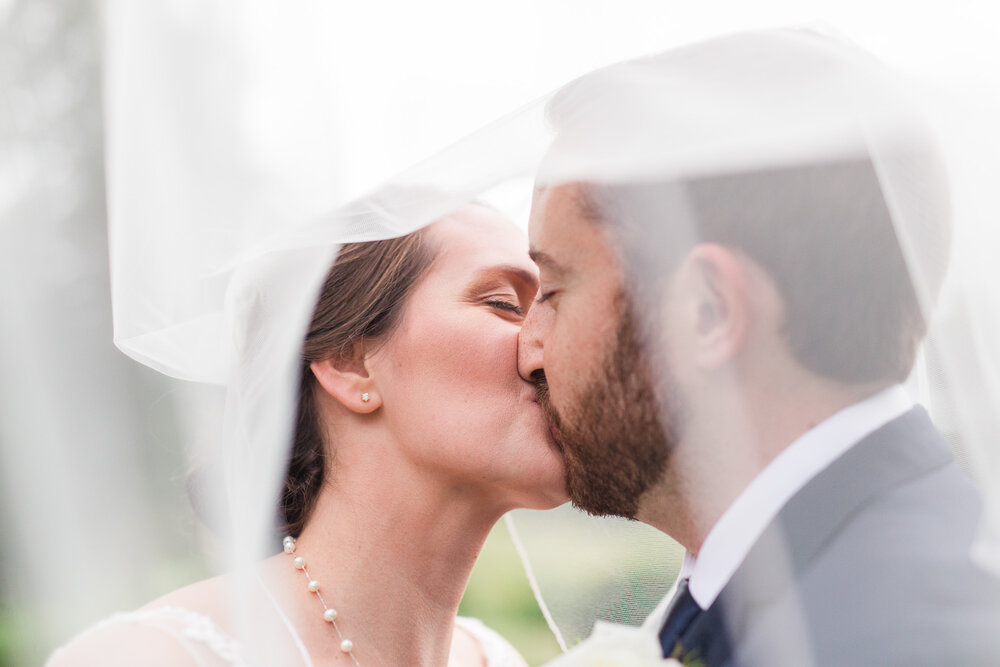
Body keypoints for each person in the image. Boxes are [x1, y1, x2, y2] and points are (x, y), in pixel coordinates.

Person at [518, 28, 1000, 666]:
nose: (529, 351)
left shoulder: (897, 637)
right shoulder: (801, 589)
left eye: (553, 289)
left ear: (710, 311)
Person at [48, 203, 567, 666]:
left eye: (559, 308)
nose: (553, 350)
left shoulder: (496, 657)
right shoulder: (158, 657)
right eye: (504, 304)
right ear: (350, 361)